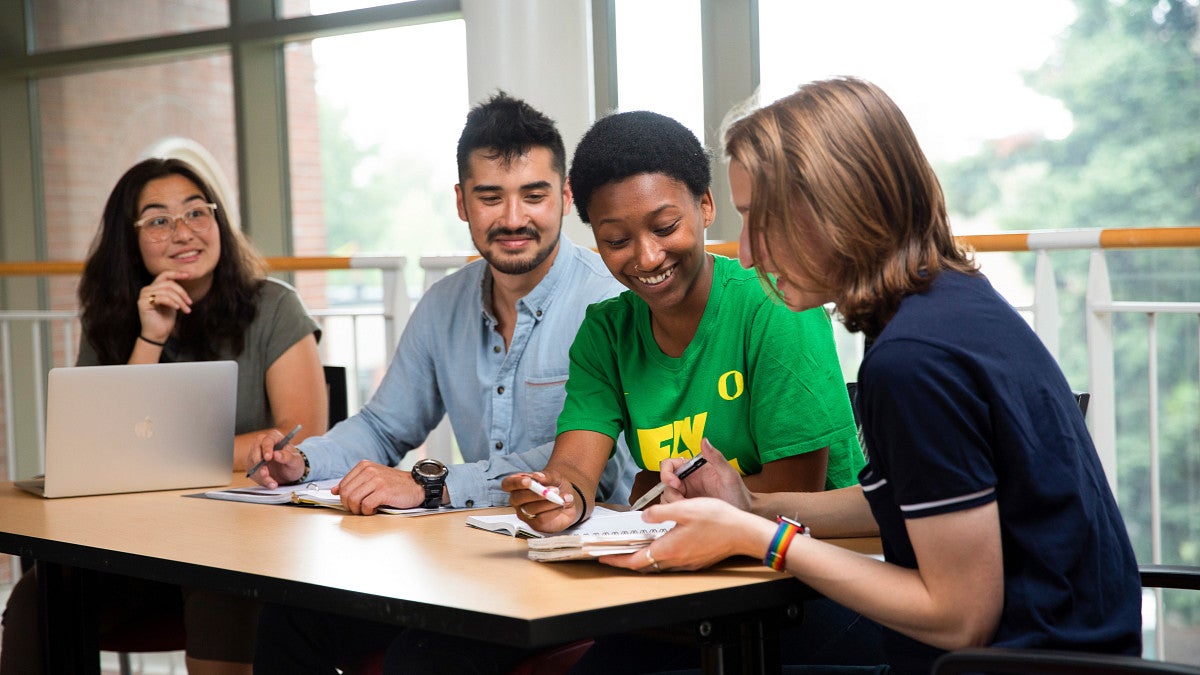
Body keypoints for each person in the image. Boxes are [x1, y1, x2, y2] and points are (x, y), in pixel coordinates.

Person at [598, 77, 1143, 675]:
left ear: (835, 208)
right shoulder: (951, 302)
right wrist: (750, 506)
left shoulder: (912, 362)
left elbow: (961, 617)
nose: (747, 253)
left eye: (760, 220)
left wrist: (760, 540)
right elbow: (920, 502)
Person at [251, 92, 636, 673]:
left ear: (566, 197)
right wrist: (303, 462)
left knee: (422, 659)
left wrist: (432, 486)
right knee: (291, 615)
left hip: (582, 562)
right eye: (490, 197)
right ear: (462, 202)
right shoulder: (442, 305)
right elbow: (384, 427)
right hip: (481, 558)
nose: (512, 219)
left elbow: (588, 464)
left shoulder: (610, 302)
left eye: (534, 195)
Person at [0, 157, 327, 675]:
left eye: (197, 212)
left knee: (219, 576)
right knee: (36, 600)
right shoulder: (110, 320)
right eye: (157, 220)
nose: (182, 232)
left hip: (241, 543)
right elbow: (101, 453)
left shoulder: (274, 308)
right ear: (128, 242)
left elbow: (300, 441)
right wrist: (149, 336)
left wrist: (157, 457)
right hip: (131, 544)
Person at [504, 110, 862, 530]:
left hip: (811, 565)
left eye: (665, 226)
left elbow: (795, 491)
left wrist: (658, 486)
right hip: (694, 564)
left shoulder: (774, 305)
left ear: (705, 205)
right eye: (616, 241)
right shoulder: (607, 332)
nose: (647, 257)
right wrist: (562, 498)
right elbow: (576, 469)